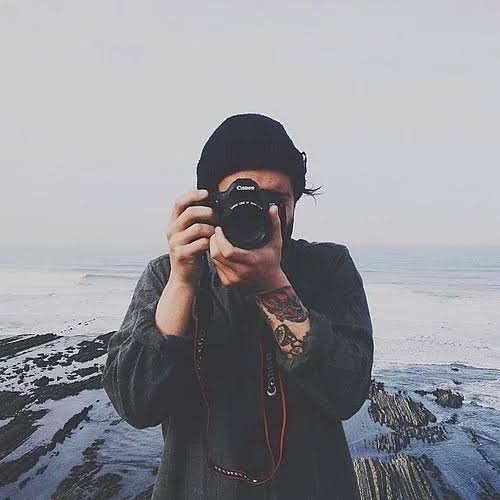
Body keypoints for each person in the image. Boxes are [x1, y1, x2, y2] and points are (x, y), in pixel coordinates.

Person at [102, 113, 374, 500]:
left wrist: (272, 287)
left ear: (295, 201)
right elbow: (136, 404)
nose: (261, 212)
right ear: (208, 205)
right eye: (241, 199)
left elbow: (347, 393)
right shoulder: (169, 275)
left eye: (276, 200)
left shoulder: (328, 267)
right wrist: (182, 282)